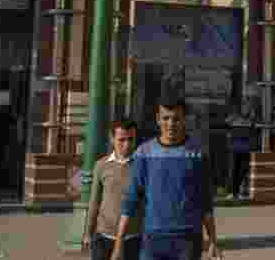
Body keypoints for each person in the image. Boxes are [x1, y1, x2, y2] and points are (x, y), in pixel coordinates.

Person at [113, 92, 221, 260]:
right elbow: (131, 200)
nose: (170, 124)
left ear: (184, 119)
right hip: (153, 238)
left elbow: (205, 201)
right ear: (158, 119)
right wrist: (119, 244)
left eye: (176, 119)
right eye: (166, 118)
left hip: (188, 239)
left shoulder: (197, 154)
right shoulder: (144, 153)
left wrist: (213, 240)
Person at [84, 120, 141, 260]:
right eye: (121, 140)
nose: (127, 144)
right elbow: (94, 202)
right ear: (112, 139)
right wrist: (88, 233)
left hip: (133, 238)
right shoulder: (101, 165)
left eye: (131, 139)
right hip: (103, 237)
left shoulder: (142, 165)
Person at [227, 93, 259, 199]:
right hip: (235, 147)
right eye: (244, 105)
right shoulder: (235, 116)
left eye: (248, 106)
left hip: (246, 148)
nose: (246, 108)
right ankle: (232, 192)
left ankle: (241, 191)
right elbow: (227, 122)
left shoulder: (251, 118)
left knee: (243, 170)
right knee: (234, 170)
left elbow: (255, 126)